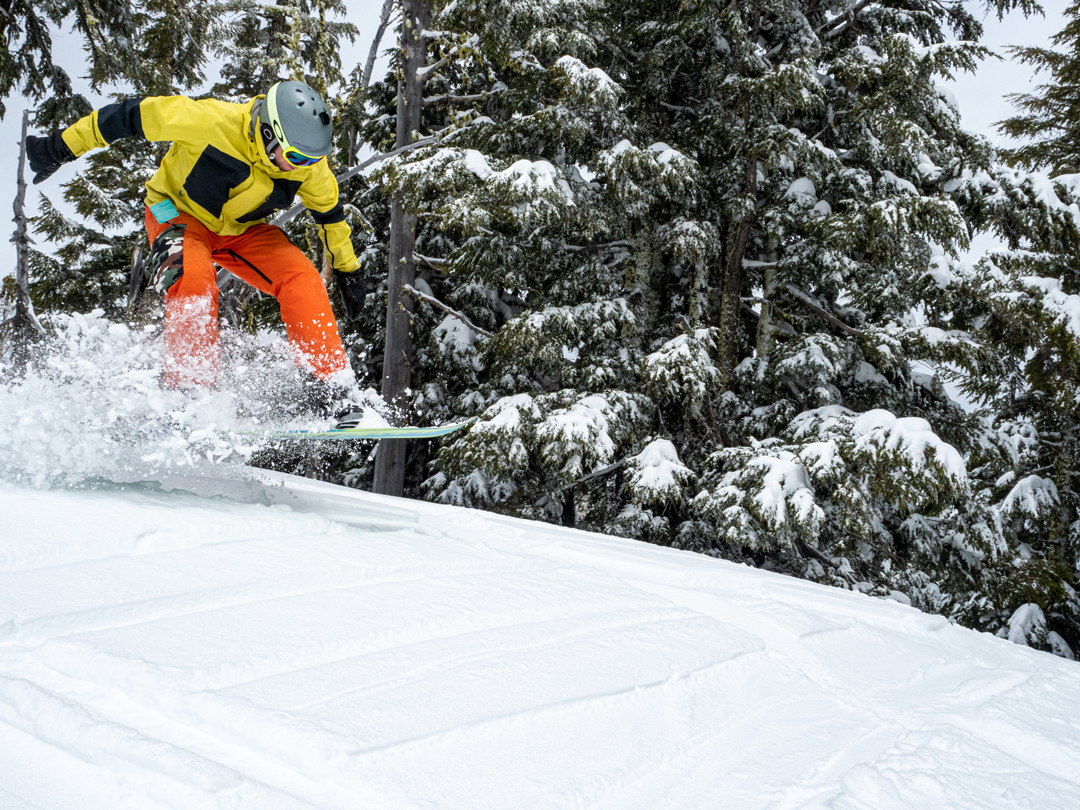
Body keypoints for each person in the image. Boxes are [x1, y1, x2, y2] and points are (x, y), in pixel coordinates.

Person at [26, 81, 369, 425]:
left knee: (303, 279)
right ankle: (191, 393)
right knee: (192, 281)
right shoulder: (209, 120)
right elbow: (129, 116)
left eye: (313, 159)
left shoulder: (309, 168)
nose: (301, 166)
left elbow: (331, 216)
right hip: (173, 212)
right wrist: (59, 147)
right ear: (268, 132)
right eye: (294, 156)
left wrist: (347, 269)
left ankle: (331, 392)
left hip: (240, 231)